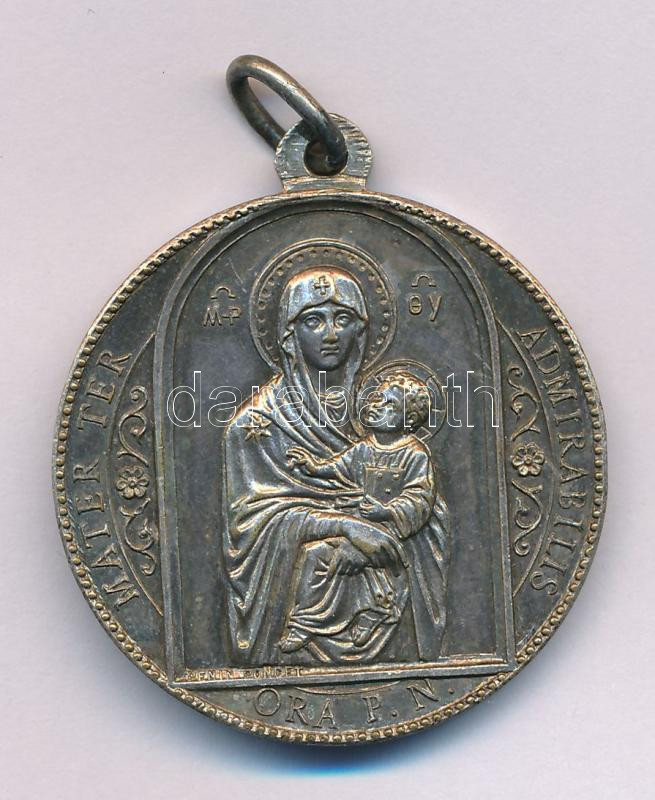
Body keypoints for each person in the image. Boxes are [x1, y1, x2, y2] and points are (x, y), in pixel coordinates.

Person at [221, 267, 449, 666]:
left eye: (342, 319)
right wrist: (346, 525)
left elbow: (428, 506)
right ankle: (306, 622)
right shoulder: (257, 425)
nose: (330, 334)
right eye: (313, 320)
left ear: (360, 332)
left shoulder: (385, 414)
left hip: (389, 587)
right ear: (289, 336)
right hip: (308, 586)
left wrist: (390, 526)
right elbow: (251, 526)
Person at [281, 371, 447, 657]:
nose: (377, 405)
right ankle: (304, 622)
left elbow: (420, 499)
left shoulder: (415, 454)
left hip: (391, 533)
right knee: (313, 554)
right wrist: (314, 467)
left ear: (408, 419)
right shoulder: (364, 448)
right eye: (377, 398)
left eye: (389, 404)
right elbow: (338, 467)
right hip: (360, 526)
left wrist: (386, 511)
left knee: (349, 558)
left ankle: (376, 611)